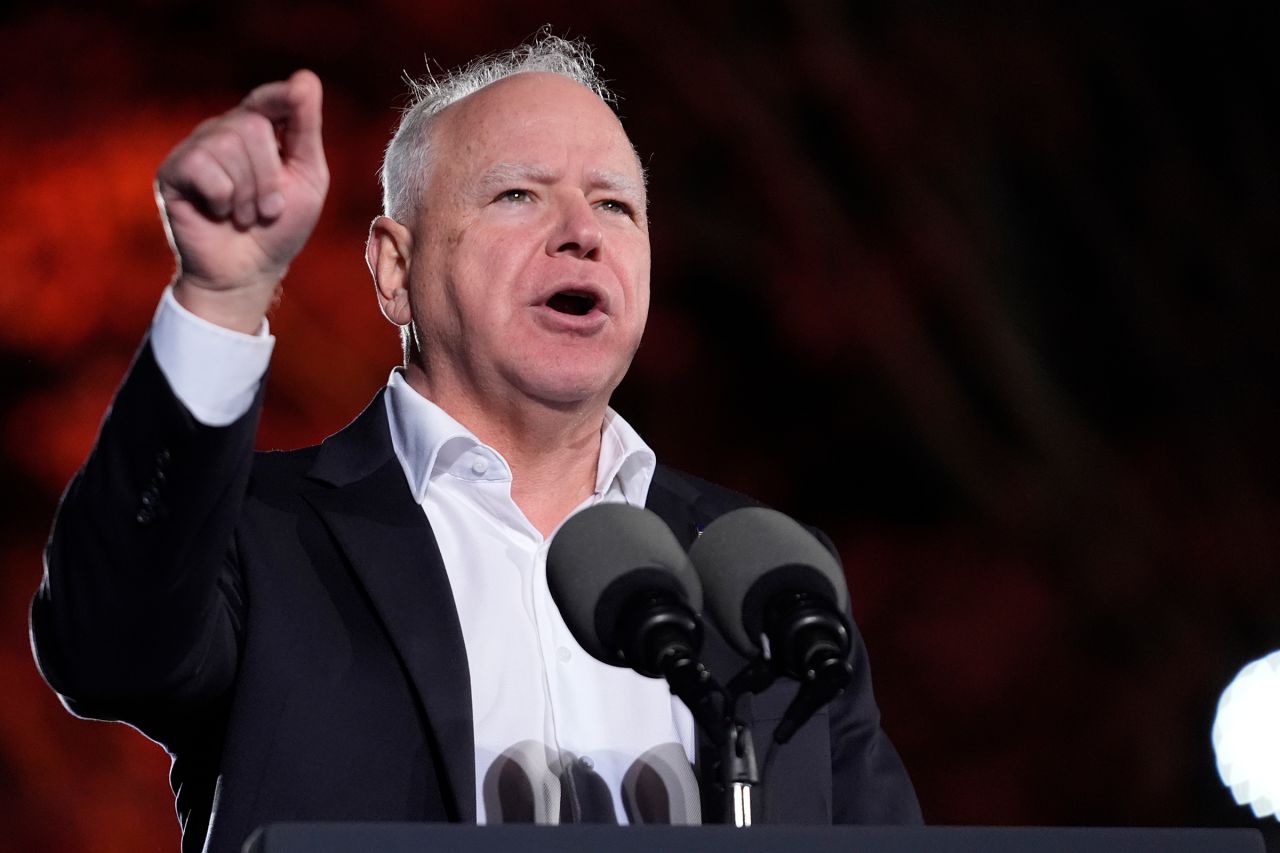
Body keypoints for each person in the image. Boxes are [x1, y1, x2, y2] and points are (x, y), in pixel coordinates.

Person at [31, 36, 921, 853]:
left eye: (615, 203)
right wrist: (222, 300)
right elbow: (106, 647)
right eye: (518, 193)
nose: (582, 230)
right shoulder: (260, 538)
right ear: (393, 267)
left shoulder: (764, 581)